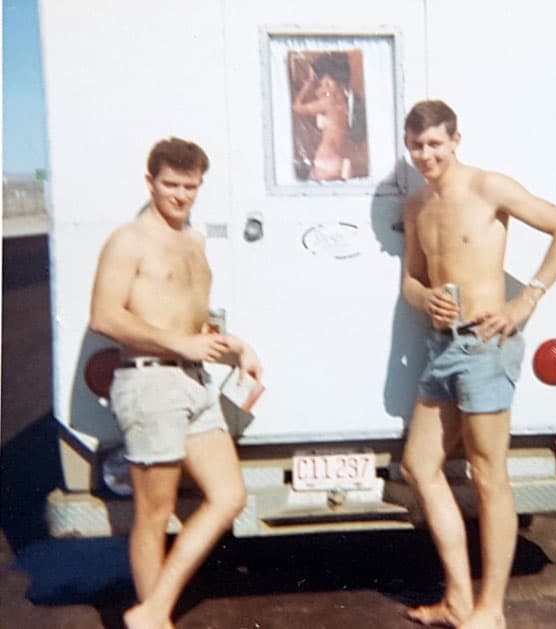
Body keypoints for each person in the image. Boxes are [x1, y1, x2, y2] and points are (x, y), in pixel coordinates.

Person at [399, 100, 556, 629]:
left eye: (435, 144)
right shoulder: (416, 206)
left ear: (456, 140)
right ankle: (458, 600)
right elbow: (410, 280)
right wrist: (424, 297)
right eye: (417, 146)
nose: (426, 155)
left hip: (484, 346)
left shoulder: (488, 187)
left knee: (487, 475)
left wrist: (525, 301)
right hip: (440, 349)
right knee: (419, 464)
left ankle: (491, 610)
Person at [89, 137, 262, 629]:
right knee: (154, 512)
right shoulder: (129, 240)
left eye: (190, 187)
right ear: (150, 182)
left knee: (229, 496)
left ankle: (152, 610)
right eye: (170, 185)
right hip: (149, 385)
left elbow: (192, 320)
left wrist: (236, 347)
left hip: (194, 383)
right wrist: (176, 344)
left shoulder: (194, 240)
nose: (181, 196)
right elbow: (104, 316)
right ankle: (155, 619)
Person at [292, 52, 354, 181]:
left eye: (326, 81)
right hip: (338, 161)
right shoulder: (345, 104)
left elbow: (297, 108)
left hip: (325, 160)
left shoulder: (328, 103)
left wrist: (308, 82)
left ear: (334, 82)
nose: (323, 86)